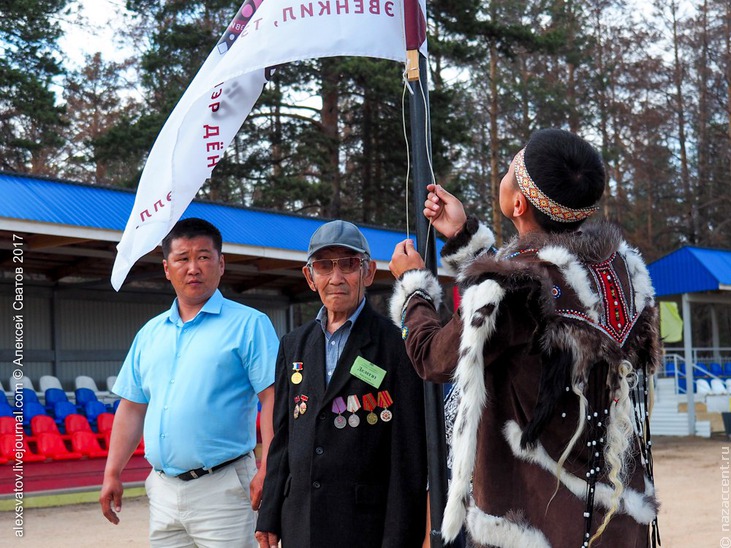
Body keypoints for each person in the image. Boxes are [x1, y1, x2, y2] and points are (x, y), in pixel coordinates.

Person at [389, 129, 660, 548]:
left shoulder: (514, 288)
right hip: (619, 520)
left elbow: (433, 357)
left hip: (539, 527)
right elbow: (531, 290)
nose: (507, 168)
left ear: (517, 203)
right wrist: (464, 237)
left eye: (513, 165)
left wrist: (413, 289)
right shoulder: (621, 272)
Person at [100, 217, 279, 548]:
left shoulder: (250, 325)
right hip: (163, 489)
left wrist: (269, 466)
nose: (193, 267)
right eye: (182, 258)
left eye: (203, 256)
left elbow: (272, 398)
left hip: (223, 488)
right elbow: (132, 407)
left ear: (221, 263)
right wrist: (113, 472)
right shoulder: (150, 334)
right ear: (167, 268)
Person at [256, 220, 428, 548]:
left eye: (348, 264)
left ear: (368, 272)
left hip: (365, 528)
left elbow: (407, 456)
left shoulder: (396, 345)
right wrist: (269, 514)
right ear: (310, 277)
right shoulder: (293, 344)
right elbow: (283, 439)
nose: (336, 278)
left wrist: (399, 537)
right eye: (324, 266)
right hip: (301, 525)